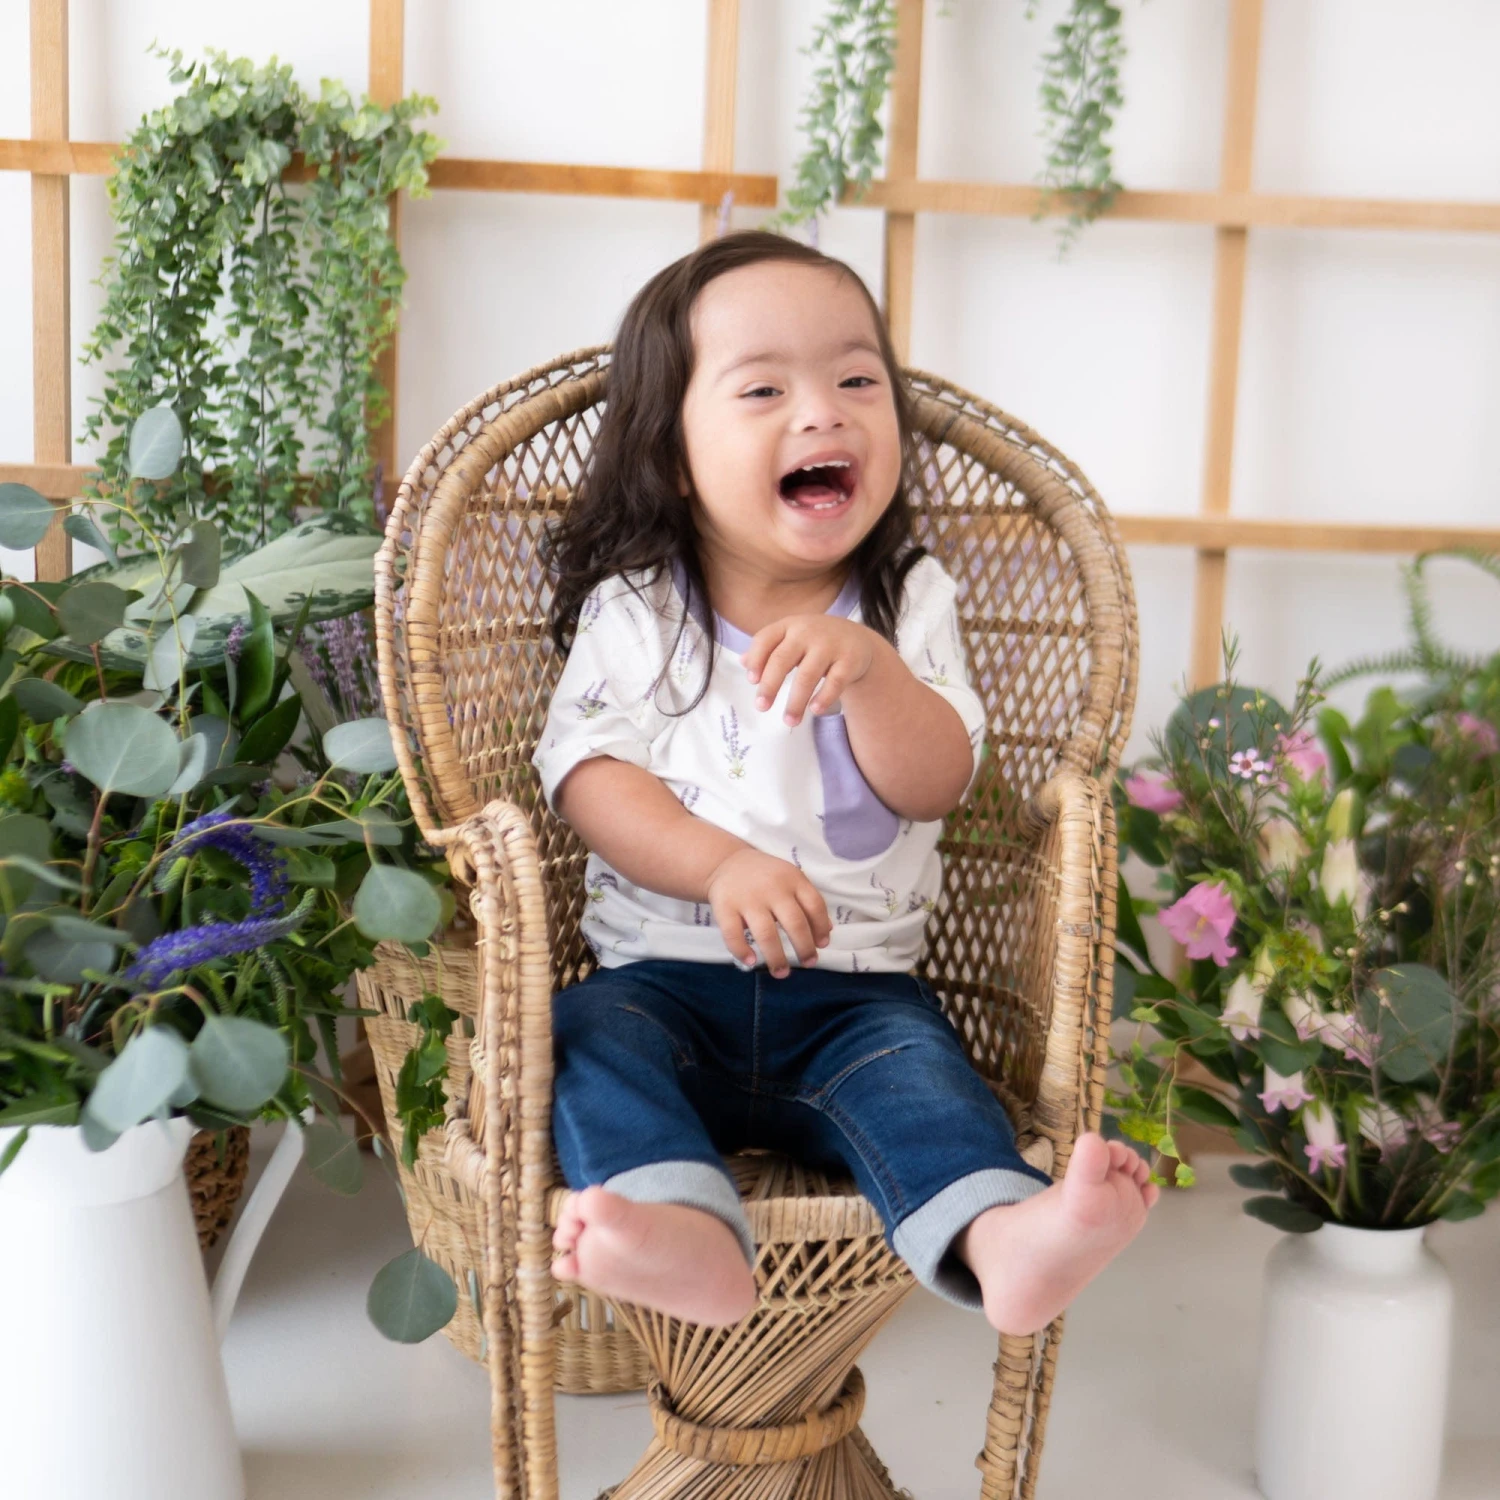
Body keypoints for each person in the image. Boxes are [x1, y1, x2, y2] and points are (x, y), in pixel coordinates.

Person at [532, 230, 1157, 1332]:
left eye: (858, 381)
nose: (823, 413)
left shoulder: (909, 599)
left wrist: (874, 675)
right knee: (582, 1043)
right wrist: (719, 865)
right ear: (674, 455)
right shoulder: (638, 606)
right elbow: (588, 777)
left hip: (858, 995)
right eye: (764, 389)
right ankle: (680, 1227)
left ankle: (1001, 1239)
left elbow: (936, 782)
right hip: (660, 983)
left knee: (926, 1090)